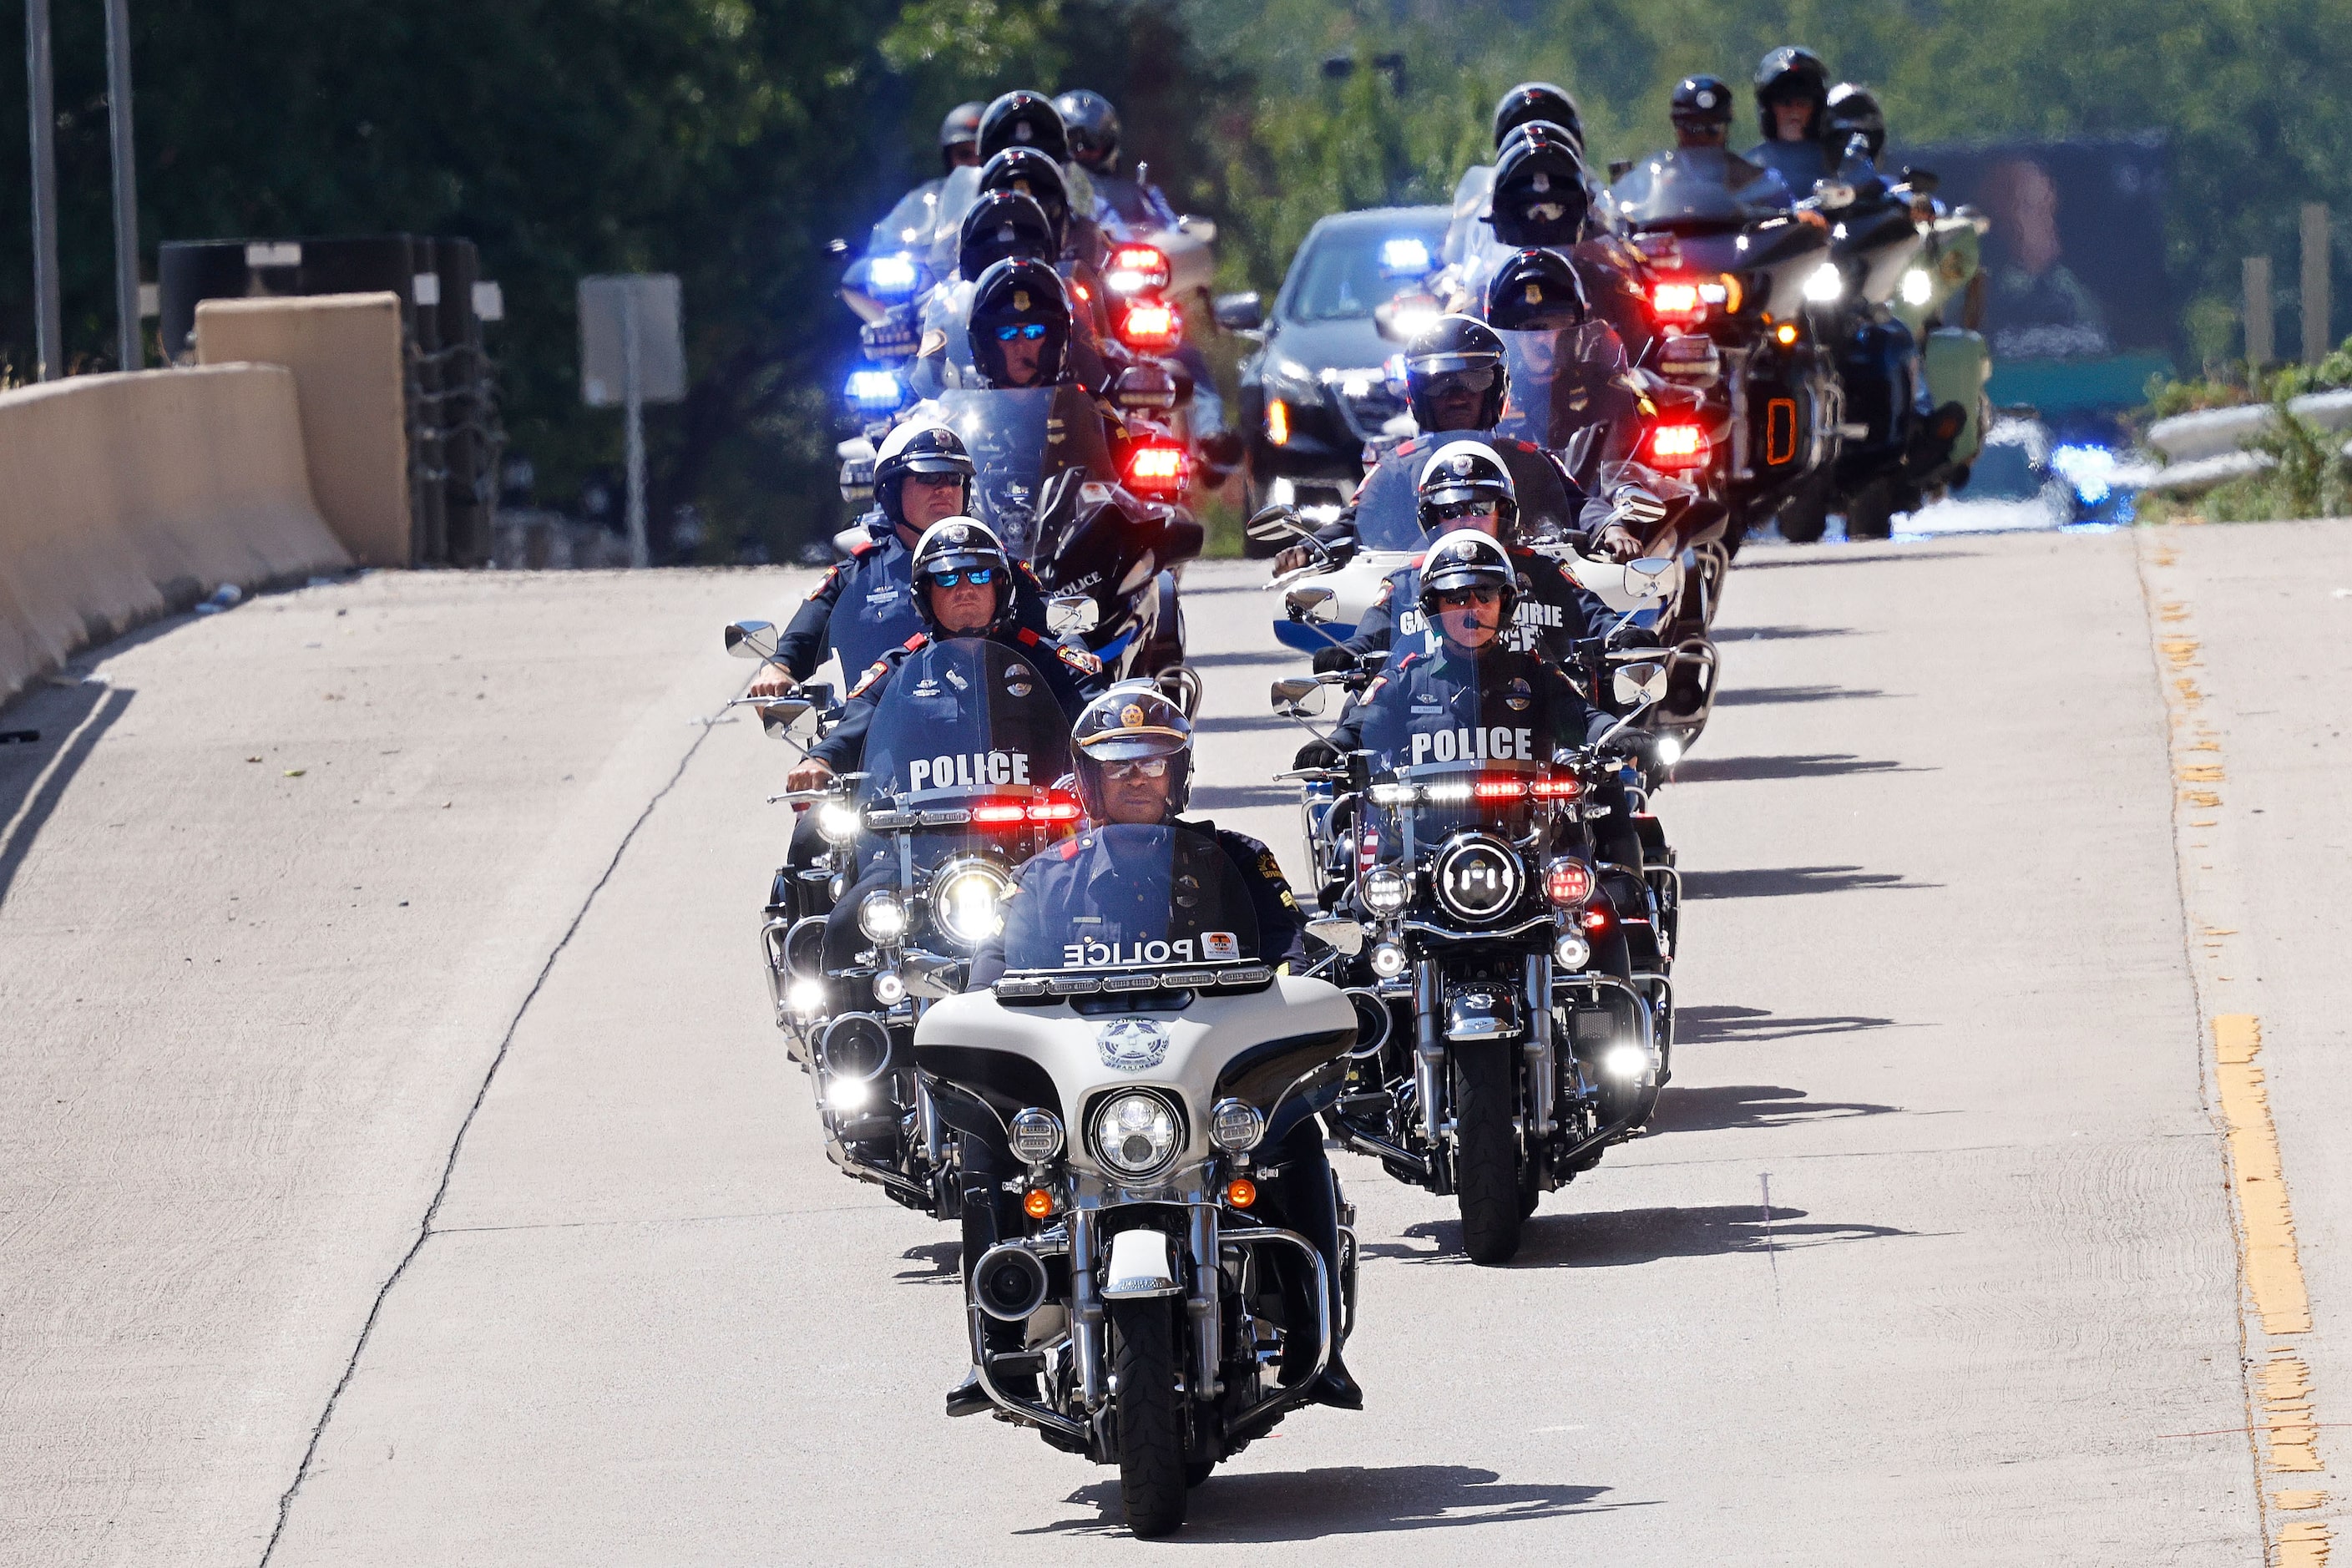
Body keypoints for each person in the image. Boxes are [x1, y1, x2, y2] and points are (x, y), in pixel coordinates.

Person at [952, 685, 1363, 1417]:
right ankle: (999, 1341)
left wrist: (1318, 974)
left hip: (1207, 1064)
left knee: (1296, 1129)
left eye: (1153, 762)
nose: (1136, 776)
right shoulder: (1045, 878)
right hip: (1084, 1072)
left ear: (1178, 775)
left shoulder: (1238, 862)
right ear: (1089, 778)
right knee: (985, 1138)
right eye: (1118, 764)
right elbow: (988, 977)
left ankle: (1315, 1338)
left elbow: (1294, 952)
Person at [1269, 314, 1641, 577]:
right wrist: (1310, 548)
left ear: (1497, 389)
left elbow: (1581, 506)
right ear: (1418, 395)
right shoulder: (1397, 466)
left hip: (1519, 606)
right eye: (1440, 384)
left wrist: (1611, 529)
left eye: (1473, 380)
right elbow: (1353, 520)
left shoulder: (1528, 461)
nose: (1457, 395)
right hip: (1420, 611)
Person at [785, 518, 1104, 802]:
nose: (965, 589)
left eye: (979, 575)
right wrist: (821, 760)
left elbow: (1104, 724)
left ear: (1000, 587)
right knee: (815, 842)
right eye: (947, 578)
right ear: (925, 594)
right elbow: (852, 729)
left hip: (1039, 849)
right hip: (917, 847)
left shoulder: (1052, 664)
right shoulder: (899, 669)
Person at [750, 422, 1052, 702]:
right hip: (876, 743)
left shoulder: (999, 568)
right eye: (928, 477)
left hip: (989, 741)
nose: (945, 489)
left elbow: (1056, 635)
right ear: (892, 492)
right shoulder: (857, 576)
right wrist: (778, 668)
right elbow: (800, 643)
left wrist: (1079, 650)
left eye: (954, 479)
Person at [1325, 528, 1617, 763]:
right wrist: (1336, 744)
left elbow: (1584, 719)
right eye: (1457, 598)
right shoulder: (1406, 679)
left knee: (1606, 817)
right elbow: (1364, 726)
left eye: (1486, 596)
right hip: (1421, 836)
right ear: (1432, 607)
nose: (1473, 609)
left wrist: (1614, 733)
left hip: (1527, 836)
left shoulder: (1537, 676)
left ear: (1506, 604)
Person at [1327, 441, 1609, 675]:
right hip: (1426, 726)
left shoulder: (1544, 571)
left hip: (1540, 726)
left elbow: (1596, 615)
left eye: (1480, 507)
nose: (1466, 520)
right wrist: (1348, 654)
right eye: (1451, 510)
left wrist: (1621, 634)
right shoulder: (1406, 583)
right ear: (1431, 518)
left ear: (1504, 513)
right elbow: (1368, 636)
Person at [1054, 88, 1179, 235]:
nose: (1082, 152)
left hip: (1124, 256)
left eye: (1092, 144)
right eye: (1073, 145)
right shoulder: (1045, 195)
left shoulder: (1141, 194)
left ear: (1109, 144)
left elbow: (1172, 234)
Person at [1747, 46, 1835, 200]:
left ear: (1817, 109)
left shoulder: (1836, 162)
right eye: (1785, 102)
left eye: (1803, 103)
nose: (1794, 110)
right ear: (1768, 109)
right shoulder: (1750, 166)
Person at [939, 101, 985, 173]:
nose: (976, 163)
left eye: (985, 153)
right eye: (965, 155)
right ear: (949, 162)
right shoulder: (941, 184)